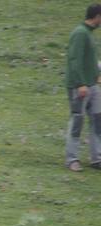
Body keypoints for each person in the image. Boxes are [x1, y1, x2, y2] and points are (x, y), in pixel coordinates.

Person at [64, 4, 101, 172]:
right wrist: (80, 84)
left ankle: (97, 158)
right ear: (97, 16)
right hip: (81, 87)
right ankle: (72, 159)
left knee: (97, 121)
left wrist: (96, 74)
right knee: (77, 121)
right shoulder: (80, 33)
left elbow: (88, 60)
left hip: (93, 86)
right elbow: (74, 60)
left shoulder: (88, 33)